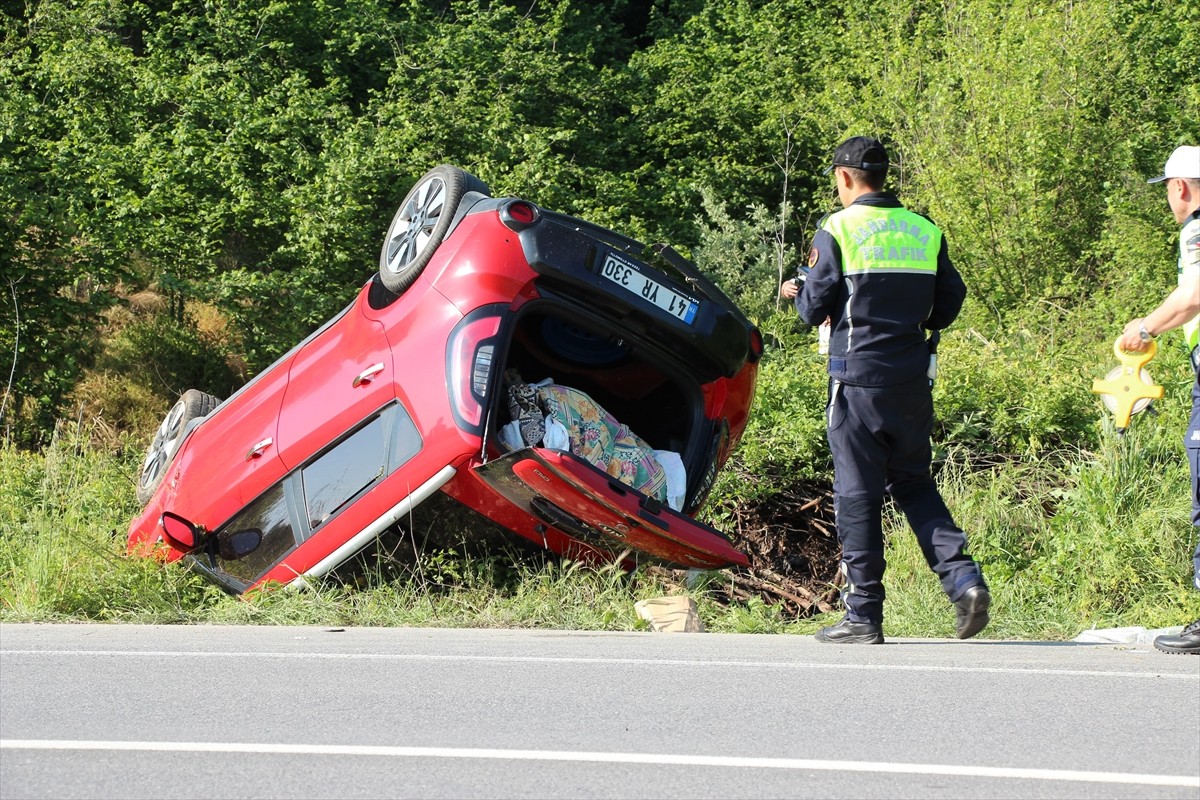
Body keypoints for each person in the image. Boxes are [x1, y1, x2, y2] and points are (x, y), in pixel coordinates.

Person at [780, 136, 989, 644]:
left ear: (845, 177)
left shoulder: (837, 228)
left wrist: (803, 289)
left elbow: (812, 309)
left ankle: (862, 616)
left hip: (855, 380)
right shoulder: (924, 230)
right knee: (914, 483)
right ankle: (964, 582)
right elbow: (950, 298)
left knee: (857, 494)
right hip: (912, 379)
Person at [1115, 144, 1200, 656]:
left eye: (1168, 190)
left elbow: (1195, 294)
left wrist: (1145, 328)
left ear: (1181, 188)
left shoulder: (1196, 229)